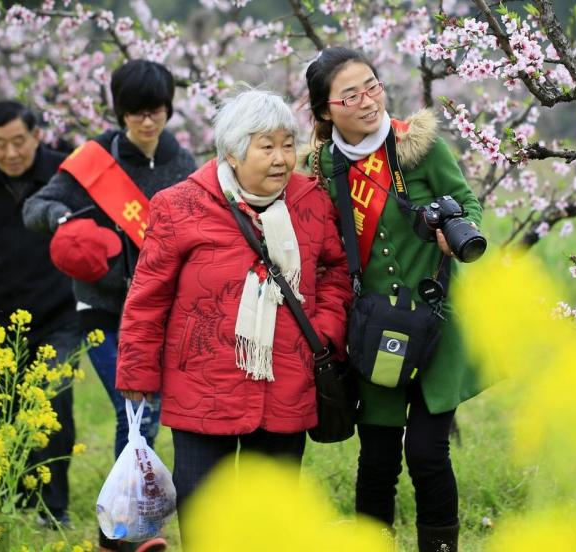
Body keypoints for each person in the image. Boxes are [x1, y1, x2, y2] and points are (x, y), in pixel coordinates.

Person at [114, 89, 352, 546]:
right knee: (205, 517)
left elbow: (336, 270)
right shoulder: (180, 204)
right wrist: (137, 368)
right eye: (267, 146)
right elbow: (148, 295)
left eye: (288, 144)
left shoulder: (311, 201)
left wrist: (323, 330)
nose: (282, 158)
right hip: (203, 384)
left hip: (287, 379)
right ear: (232, 152)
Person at [303, 47, 485, 552]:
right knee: (378, 454)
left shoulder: (416, 145)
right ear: (325, 111)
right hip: (373, 332)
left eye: (373, 85)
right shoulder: (320, 165)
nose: (368, 101)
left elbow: (468, 201)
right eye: (351, 94)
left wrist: (456, 232)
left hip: (437, 321)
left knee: (427, 452)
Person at [22, 59, 196, 552]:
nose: (147, 121)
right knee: (135, 412)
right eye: (136, 112)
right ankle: (128, 528)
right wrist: (65, 220)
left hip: (162, 310)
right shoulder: (94, 159)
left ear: (168, 110)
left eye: (156, 111)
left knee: (149, 414)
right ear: (119, 112)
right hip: (101, 311)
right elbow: (36, 207)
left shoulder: (181, 162)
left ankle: (120, 530)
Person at [0, 100, 78, 528]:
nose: (10, 153)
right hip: (3, 322)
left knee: (53, 400)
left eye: (18, 142)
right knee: (7, 410)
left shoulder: (64, 172)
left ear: (35, 136)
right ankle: (18, 497)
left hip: (60, 313)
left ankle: (55, 508)